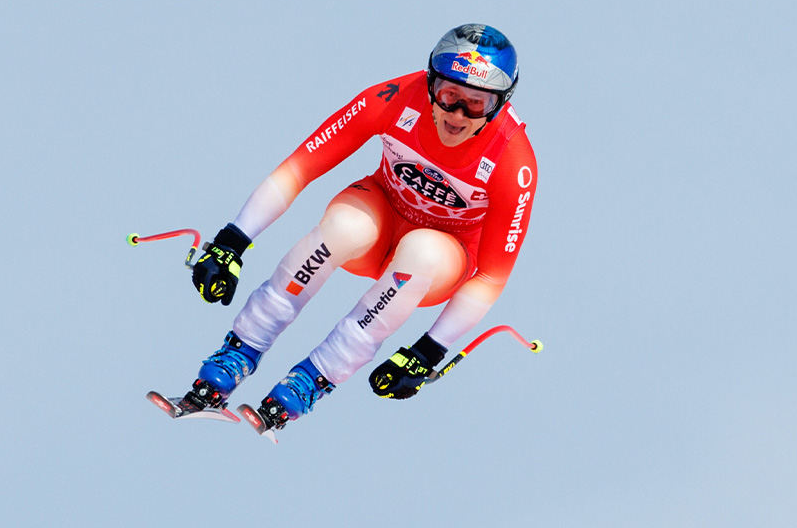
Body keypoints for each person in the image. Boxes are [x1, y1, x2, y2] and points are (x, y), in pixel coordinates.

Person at [181, 23, 538, 432]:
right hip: (378, 220)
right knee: (345, 226)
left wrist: (429, 350)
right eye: (449, 95)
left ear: (500, 103)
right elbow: (299, 168)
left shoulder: (513, 159)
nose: (457, 115)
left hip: (440, 259)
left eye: (476, 104)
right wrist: (232, 241)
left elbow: (492, 276)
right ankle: (239, 351)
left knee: (423, 251)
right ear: (430, 82)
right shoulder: (395, 97)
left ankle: (312, 379)